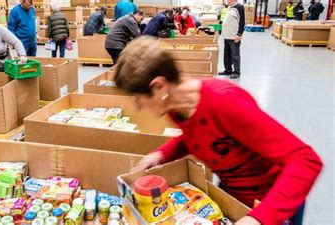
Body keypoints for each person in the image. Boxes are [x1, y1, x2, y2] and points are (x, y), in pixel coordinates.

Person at [114, 36, 323, 225]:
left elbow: (306, 160)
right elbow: (197, 137)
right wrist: (160, 154)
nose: (139, 107)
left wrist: (259, 218)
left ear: (159, 87)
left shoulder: (225, 102)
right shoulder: (176, 108)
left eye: (138, 99)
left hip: (271, 205)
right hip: (233, 200)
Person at [218, 0, 245, 79]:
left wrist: (239, 34)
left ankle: (236, 72)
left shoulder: (239, 7)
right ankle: (228, 70)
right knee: (227, 54)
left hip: (234, 36)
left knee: (235, 55)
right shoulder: (230, 7)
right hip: (227, 35)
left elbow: (242, 22)